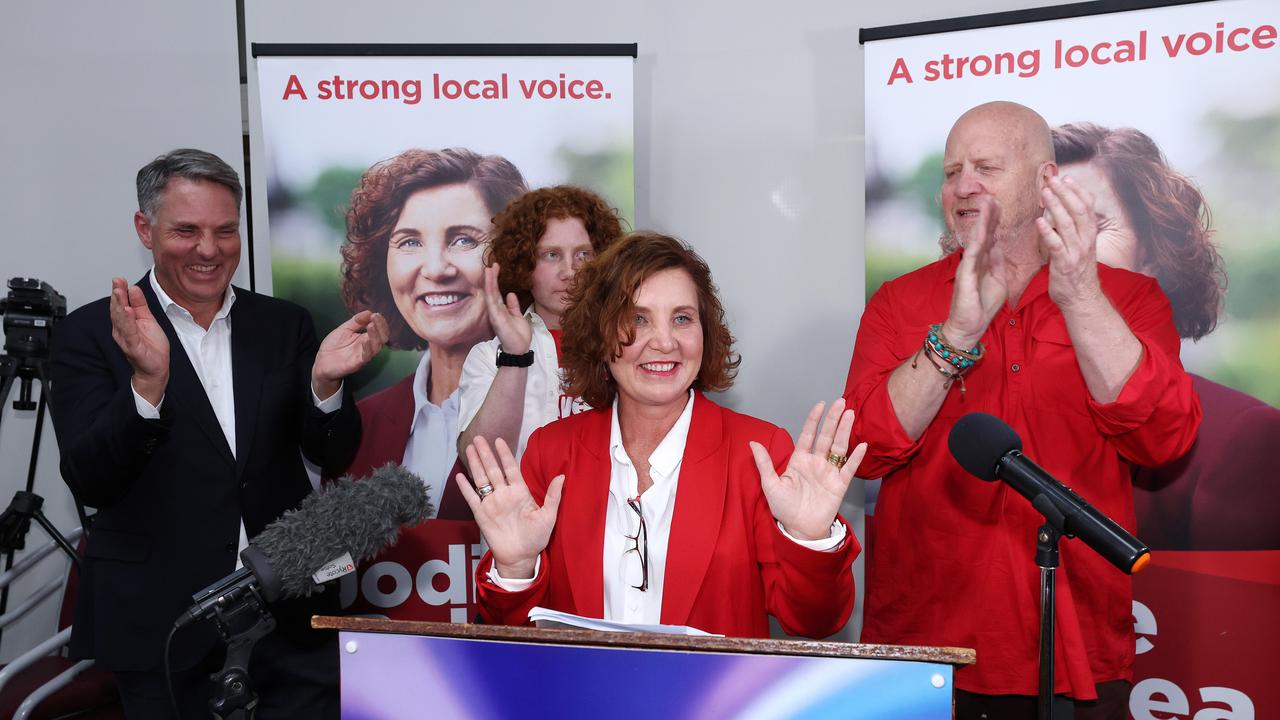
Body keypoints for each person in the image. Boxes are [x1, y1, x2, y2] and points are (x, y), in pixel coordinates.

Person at [843, 102, 1201, 717]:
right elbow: (864, 451)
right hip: (926, 654)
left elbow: (1164, 440)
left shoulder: (1129, 300)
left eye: (986, 166)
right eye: (952, 171)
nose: (963, 186)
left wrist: (1081, 296)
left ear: (1045, 182)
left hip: (1076, 651)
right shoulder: (901, 302)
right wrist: (953, 338)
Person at [49, 148, 389, 718]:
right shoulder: (91, 334)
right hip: (163, 626)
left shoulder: (284, 325)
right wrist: (147, 386)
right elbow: (91, 480)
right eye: (186, 230)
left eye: (225, 231)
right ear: (145, 228)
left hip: (290, 616)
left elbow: (333, 451)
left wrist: (326, 385)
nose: (209, 249)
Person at [462, 232, 863, 638]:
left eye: (682, 318)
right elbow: (508, 632)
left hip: (713, 702)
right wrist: (515, 569)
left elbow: (815, 621)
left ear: (705, 335)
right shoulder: (552, 451)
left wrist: (810, 540)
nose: (665, 341)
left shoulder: (758, 453)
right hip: (583, 698)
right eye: (637, 319)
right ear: (601, 336)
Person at [1051, 122, 1280, 550]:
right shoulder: (974, 420)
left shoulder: (1238, 436)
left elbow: (1232, 615)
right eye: (1039, 229)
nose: (1059, 249)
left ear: (1155, 255)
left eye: (1089, 225)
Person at [339, 147, 527, 516]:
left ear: (515, 258)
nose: (436, 268)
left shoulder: (560, 415)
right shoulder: (359, 427)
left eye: (464, 240)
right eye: (410, 242)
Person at [457, 185, 626, 465]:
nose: (570, 271)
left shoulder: (628, 344)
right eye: (552, 255)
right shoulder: (488, 357)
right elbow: (483, 467)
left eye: (584, 254)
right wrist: (514, 357)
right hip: (522, 507)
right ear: (523, 264)